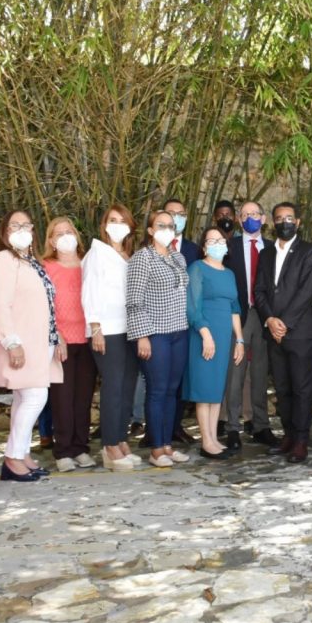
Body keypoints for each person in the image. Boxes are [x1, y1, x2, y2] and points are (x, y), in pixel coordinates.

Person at [0, 210, 64, 481]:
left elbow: (48, 304)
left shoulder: (33, 262)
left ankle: (22, 454)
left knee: (24, 399)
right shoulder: (4, 260)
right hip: (23, 343)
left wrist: (57, 336)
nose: (21, 229)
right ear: (4, 232)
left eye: (26, 225)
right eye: (14, 225)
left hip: (43, 342)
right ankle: (12, 458)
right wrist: (11, 341)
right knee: (35, 398)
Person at [254, 202, 312, 463]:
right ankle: (289, 436)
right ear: (273, 223)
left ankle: (301, 440)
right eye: (280, 218)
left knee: (302, 388)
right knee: (282, 388)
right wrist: (270, 320)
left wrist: (284, 323)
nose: (285, 222)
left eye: (290, 218)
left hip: (300, 332)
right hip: (273, 332)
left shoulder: (309, 252)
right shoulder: (266, 253)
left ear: (298, 222)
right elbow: (259, 290)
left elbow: (307, 291)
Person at [127, 210, 191, 467]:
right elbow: (134, 301)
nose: (167, 229)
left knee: (172, 391)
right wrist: (142, 336)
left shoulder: (178, 257)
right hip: (156, 334)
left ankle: (167, 445)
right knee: (157, 390)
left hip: (179, 332)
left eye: (171, 226)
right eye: (161, 225)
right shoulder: (142, 258)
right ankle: (156, 449)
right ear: (151, 230)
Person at [82, 205, 141, 472]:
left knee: (127, 387)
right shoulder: (97, 253)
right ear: (104, 224)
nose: (117, 225)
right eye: (112, 220)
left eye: (122, 220)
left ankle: (121, 439)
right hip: (107, 330)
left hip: (129, 329)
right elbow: (90, 291)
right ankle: (109, 446)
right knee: (113, 387)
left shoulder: (127, 256)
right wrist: (96, 328)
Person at [42, 217, 98, 472]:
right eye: (59, 233)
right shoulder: (46, 267)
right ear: (51, 241)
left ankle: (80, 447)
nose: (65, 236)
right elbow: (43, 305)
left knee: (83, 398)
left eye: (69, 231)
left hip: (88, 338)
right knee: (62, 399)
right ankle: (63, 450)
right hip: (61, 341)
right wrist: (57, 336)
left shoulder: (89, 264)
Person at [224, 201, 279, 448]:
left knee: (260, 373)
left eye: (255, 213)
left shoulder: (273, 247)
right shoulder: (229, 247)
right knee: (235, 373)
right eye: (245, 214)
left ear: (263, 218)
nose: (250, 218)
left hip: (265, 317)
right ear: (239, 219)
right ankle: (232, 428)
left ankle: (261, 426)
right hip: (239, 315)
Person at [186, 227, 245, 459]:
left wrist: (239, 339)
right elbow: (192, 306)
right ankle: (206, 441)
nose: (217, 244)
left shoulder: (229, 274)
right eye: (211, 241)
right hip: (204, 335)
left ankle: (213, 438)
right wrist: (206, 335)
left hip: (224, 335)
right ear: (204, 247)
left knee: (216, 390)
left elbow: (234, 309)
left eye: (220, 240)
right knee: (204, 389)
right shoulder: (197, 268)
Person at [160, 198, 199, 446]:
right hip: (160, 323)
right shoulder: (149, 249)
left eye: (181, 213)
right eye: (171, 213)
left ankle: (175, 427)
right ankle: (156, 431)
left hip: (187, 321)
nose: (176, 218)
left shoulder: (194, 250)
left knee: (181, 378)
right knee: (159, 381)